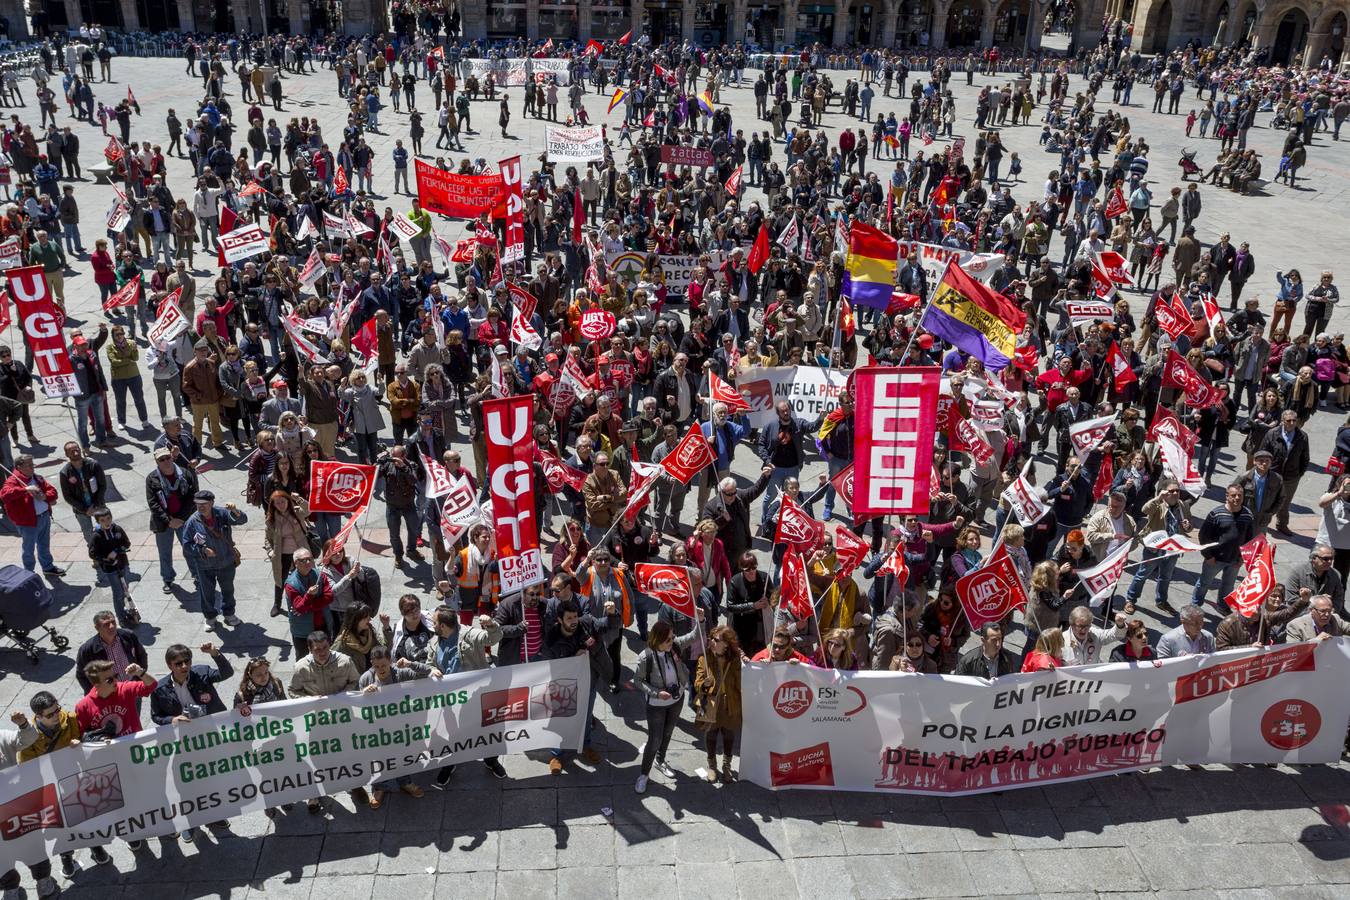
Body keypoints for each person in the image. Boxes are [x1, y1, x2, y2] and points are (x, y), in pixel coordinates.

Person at [288, 631, 365, 812]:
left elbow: (356, 681)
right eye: (317, 650)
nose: (322, 652)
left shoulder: (345, 662)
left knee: (349, 752)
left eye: (324, 648)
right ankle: (315, 792)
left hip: (343, 718)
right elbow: (292, 690)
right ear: (309, 649)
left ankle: (355, 785)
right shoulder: (300, 668)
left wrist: (340, 697)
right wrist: (310, 700)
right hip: (317, 721)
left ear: (329, 644)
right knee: (318, 757)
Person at [358, 647, 436, 808]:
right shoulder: (366, 678)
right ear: (372, 664)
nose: (381, 670)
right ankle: (380, 787)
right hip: (378, 729)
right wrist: (363, 694)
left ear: (390, 663)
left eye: (384, 666)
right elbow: (357, 705)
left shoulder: (400, 673)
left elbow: (426, 673)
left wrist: (410, 664)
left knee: (403, 755)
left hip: (401, 726)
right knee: (380, 758)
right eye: (377, 666)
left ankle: (405, 782)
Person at [633, 619, 695, 793]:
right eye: (668, 639)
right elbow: (637, 681)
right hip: (657, 705)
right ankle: (644, 774)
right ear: (658, 640)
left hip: (677, 700)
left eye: (672, 637)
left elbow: (694, 636)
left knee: (668, 733)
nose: (672, 641)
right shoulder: (646, 657)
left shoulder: (674, 647)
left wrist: (702, 620)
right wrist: (656, 693)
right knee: (655, 740)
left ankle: (660, 761)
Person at [181, 489, 248, 629]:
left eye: (204, 503)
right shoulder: (192, 521)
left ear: (212, 502)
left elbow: (242, 520)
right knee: (207, 593)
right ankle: (210, 617)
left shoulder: (222, 513)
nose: (201, 507)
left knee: (228, 590)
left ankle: (229, 614)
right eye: (198, 504)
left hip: (226, 562)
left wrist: (235, 511)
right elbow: (186, 545)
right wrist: (202, 550)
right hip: (204, 565)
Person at [1191, 483, 1254, 609]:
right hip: (1215, 559)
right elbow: (1203, 536)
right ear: (1227, 496)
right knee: (1204, 583)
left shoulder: (1248, 515)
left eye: (1239, 495)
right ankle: (1195, 605)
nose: (1236, 498)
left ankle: (1223, 606)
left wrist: (1243, 558)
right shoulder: (1216, 514)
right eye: (1233, 495)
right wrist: (1208, 556)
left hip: (1234, 560)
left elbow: (1249, 538)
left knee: (1228, 585)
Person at [693, 624, 743, 784]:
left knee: (729, 735)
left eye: (716, 640)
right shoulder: (704, 658)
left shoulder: (735, 660)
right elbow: (697, 683)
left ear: (727, 644)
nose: (711, 641)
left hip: (730, 703)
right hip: (710, 703)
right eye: (711, 638)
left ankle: (726, 766)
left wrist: (746, 665)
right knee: (711, 735)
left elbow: (741, 683)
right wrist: (705, 684)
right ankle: (712, 766)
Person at [0, 454, 64, 576]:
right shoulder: (13, 480)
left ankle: (47, 567)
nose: (32, 467)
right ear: (19, 467)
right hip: (27, 522)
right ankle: (29, 572)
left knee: (44, 544)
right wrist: (25, 490)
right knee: (28, 549)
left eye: (32, 464)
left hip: (43, 516)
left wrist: (45, 496)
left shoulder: (36, 478)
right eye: (29, 465)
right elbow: (4, 495)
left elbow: (52, 491)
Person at [953, 623, 1019, 677]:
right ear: (983, 640)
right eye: (994, 640)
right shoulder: (968, 661)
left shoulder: (1007, 658)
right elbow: (957, 684)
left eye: (1000, 639)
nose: (998, 644)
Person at [1285, 594, 1350, 641]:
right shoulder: (1295, 625)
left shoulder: (1335, 619)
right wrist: (1316, 641)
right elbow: (1293, 651)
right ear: (1311, 610)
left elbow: (1348, 628)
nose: (1327, 614)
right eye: (1322, 611)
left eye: (1329, 611)